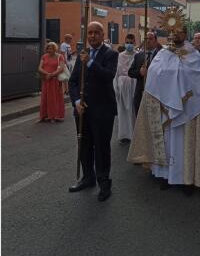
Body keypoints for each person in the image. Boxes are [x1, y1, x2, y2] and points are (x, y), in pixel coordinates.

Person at [127, 25, 200, 194]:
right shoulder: (162, 54)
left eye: (180, 31)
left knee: (186, 144)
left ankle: (187, 178)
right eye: (173, 31)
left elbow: (197, 77)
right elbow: (154, 74)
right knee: (167, 143)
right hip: (164, 108)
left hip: (188, 110)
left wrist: (176, 75)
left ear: (185, 33)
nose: (177, 33)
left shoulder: (193, 54)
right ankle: (165, 176)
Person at [68, 21, 118, 202]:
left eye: (96, 33)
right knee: (85, 145)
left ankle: (104, 182)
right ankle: (88, 177)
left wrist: (90, 63)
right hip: (83, 111)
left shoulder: (111, 54)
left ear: (103, 34)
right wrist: (77, 101)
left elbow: (107, 76)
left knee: (101, 148)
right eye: (89, 33)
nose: (92, 36)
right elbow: (73, 82)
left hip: (103, 110)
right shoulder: (83, 54)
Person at [128, 32, 159, 116]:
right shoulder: (139, 56)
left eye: (150, 39)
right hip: (140, 94)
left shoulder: (161, 55)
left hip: (155, 95)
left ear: (156, 41)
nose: (147, 41)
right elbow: (130, 72)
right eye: (146, 39)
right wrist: (139, 72)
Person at [114, 34, 137, 145]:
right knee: (122, 111)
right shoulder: (120, 56)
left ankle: (134, 134)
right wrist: (117, 87)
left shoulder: (138, 55)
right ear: (124, 42)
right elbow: (117, 73)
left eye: (131, 42)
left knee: (132, 111)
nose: (129, 45)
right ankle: (124, 135)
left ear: (135, 43)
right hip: (122, 86)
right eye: (127, 42)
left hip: (133, 86)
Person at [38, 42, 65, 122]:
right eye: (48, 48)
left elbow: (61, 68)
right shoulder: (44, 56)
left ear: (55, 49)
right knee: (45, 98)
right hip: (46, 80)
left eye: (51, 48)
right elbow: (39, 68)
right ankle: (44, 116)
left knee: (54, 98)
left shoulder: (60, 56)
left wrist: (52, 74)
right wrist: (47, 74)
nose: (49, 50)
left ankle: (54, 116)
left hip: (55, 80)